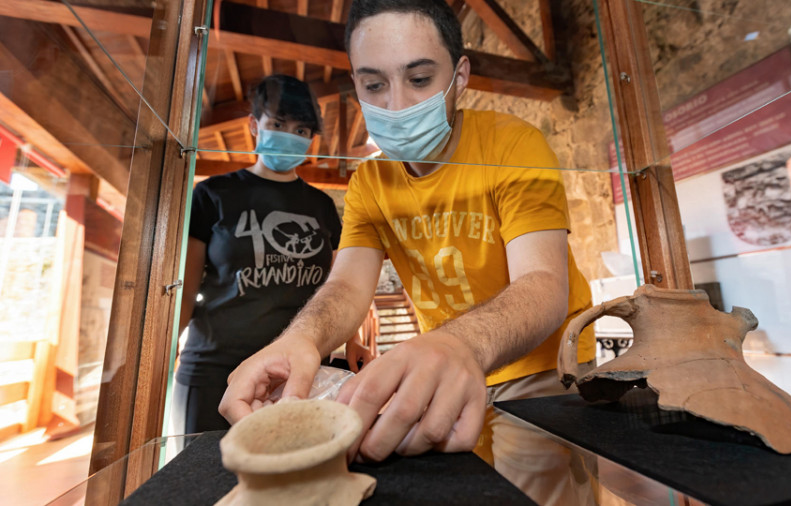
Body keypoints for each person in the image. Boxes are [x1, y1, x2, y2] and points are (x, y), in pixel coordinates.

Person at [219, 1, 596, 503]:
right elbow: (348, 285)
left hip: (540, 367)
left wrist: (457, 344)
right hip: (442, 367)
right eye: (375, 85)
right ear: (356, 85)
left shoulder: (513, 145)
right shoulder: (369, 183)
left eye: (419, 79)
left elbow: (545, 285)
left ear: (459, 77)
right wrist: (302, 341)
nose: (396, 104)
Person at [173, 75, 342, 434]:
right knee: (205, 482)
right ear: (254, 125)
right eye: (278, 124)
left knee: (293, 480)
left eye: (301, 130)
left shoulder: (322, 206)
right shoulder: (213, 195)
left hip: (296, 372)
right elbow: (185, 289)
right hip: (215, 369)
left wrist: (353, 340)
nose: (289, 135)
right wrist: (163, 344)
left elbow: (338, 284)